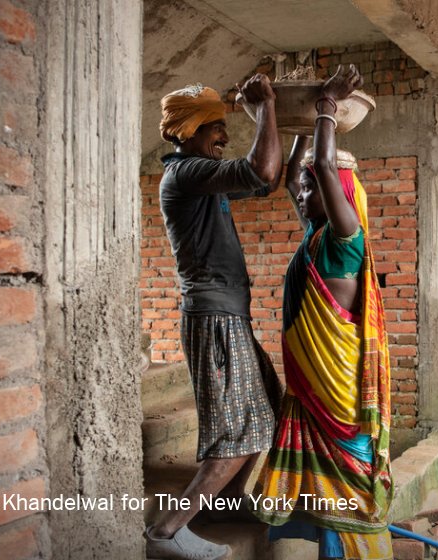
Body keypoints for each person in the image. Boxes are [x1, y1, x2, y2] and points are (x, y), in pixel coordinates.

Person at [252, 64, 393, 560]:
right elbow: (296, 176)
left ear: (341, 200)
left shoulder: (343, 241)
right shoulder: (314, 237)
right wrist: (293, 129)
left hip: (336, 392)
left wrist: (327, 107)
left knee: (346, 499)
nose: (303, 193)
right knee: (322, 501)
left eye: (314, 190)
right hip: (313, 388)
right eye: (308, 188)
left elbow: (325, 170)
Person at [145, 75, 283, 560]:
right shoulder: (185, 174)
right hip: (214, 319)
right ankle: (167, 530)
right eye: (215, 127)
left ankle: (222, 507)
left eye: (225, 127)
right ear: (188, 131)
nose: (223, 137)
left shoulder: (203, 177)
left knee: (264, 409)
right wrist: (265, 109)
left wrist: (296, 123)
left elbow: (270, 180)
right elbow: (261, 170)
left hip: (227, 318)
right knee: (236, 434)